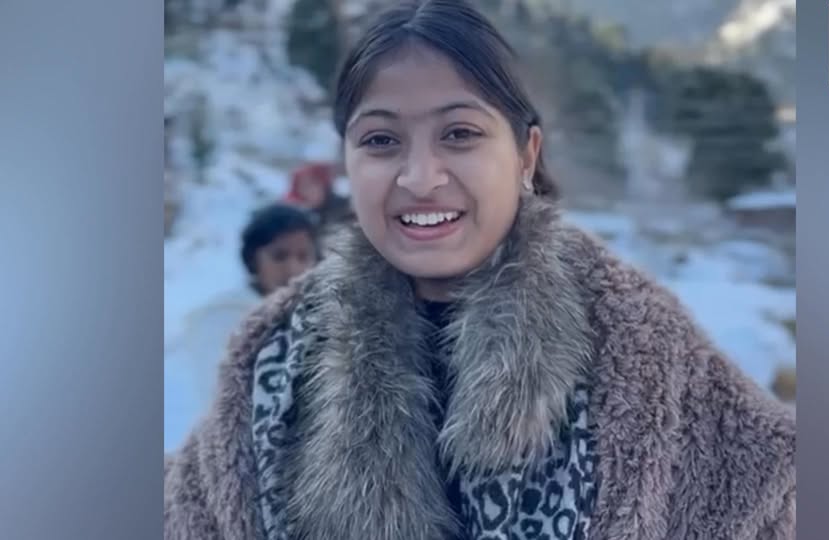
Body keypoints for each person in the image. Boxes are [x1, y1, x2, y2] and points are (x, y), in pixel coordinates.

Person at [163, 1, 795, 539]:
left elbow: (763, 489)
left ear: (526, 155)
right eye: (380, 141)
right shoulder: (271, 357)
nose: (420, 178)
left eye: (460, 134)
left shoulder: (639, 344)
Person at [163, 203, 319, 451]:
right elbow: (225, 400)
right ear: (253, 259)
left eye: (303, 257)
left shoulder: (321, 315)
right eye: (279, 256)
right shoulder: (222, 318)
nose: (293, 269)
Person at [284, 160, 355, 246]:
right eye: (301, 188)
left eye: (309, 185)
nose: (306, 192)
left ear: (323, 184)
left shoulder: (346, 209)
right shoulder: (310, 216)